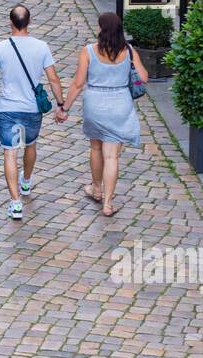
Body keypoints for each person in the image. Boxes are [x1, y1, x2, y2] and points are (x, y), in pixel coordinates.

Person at [55, 12, 147, 219]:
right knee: (112, 156)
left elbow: (78, 84)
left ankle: (96, 189)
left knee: (96, 148)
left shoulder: (88, 51)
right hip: (120, 105)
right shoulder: (129, 51)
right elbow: (143, 78)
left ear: (100, 29)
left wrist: (64, 108)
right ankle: (108, 203)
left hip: (95, 104)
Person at [0, 5, 65, 220]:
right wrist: (60, 104)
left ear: (10, 22)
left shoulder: (0, 48)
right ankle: (26, 182)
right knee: (30, 144)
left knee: (10, 152)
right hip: (31, 109)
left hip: (9, 109)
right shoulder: (42, 47)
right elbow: (54, 79)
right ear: (29, 22)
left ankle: (15, 202)